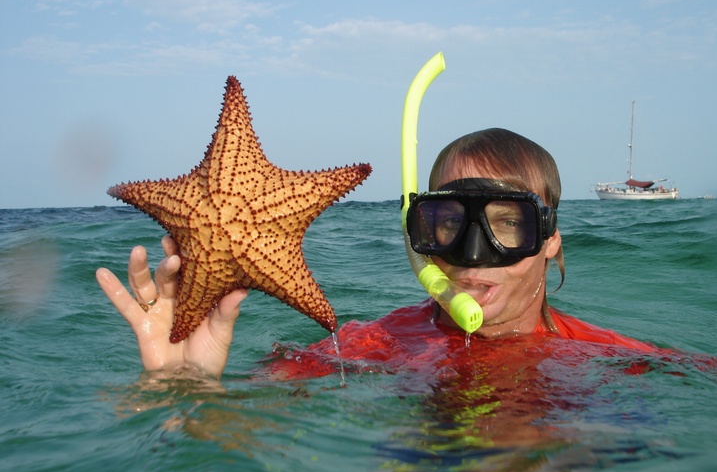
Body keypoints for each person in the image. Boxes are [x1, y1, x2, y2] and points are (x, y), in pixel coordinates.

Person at [96, 128, 654, 381]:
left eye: (509, 224)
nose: (473, 257)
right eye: (447, 225)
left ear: (551, 236)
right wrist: (187, 383)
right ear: (420, 234)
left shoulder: (620, 360)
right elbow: (237, 433)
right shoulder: (372, 345)